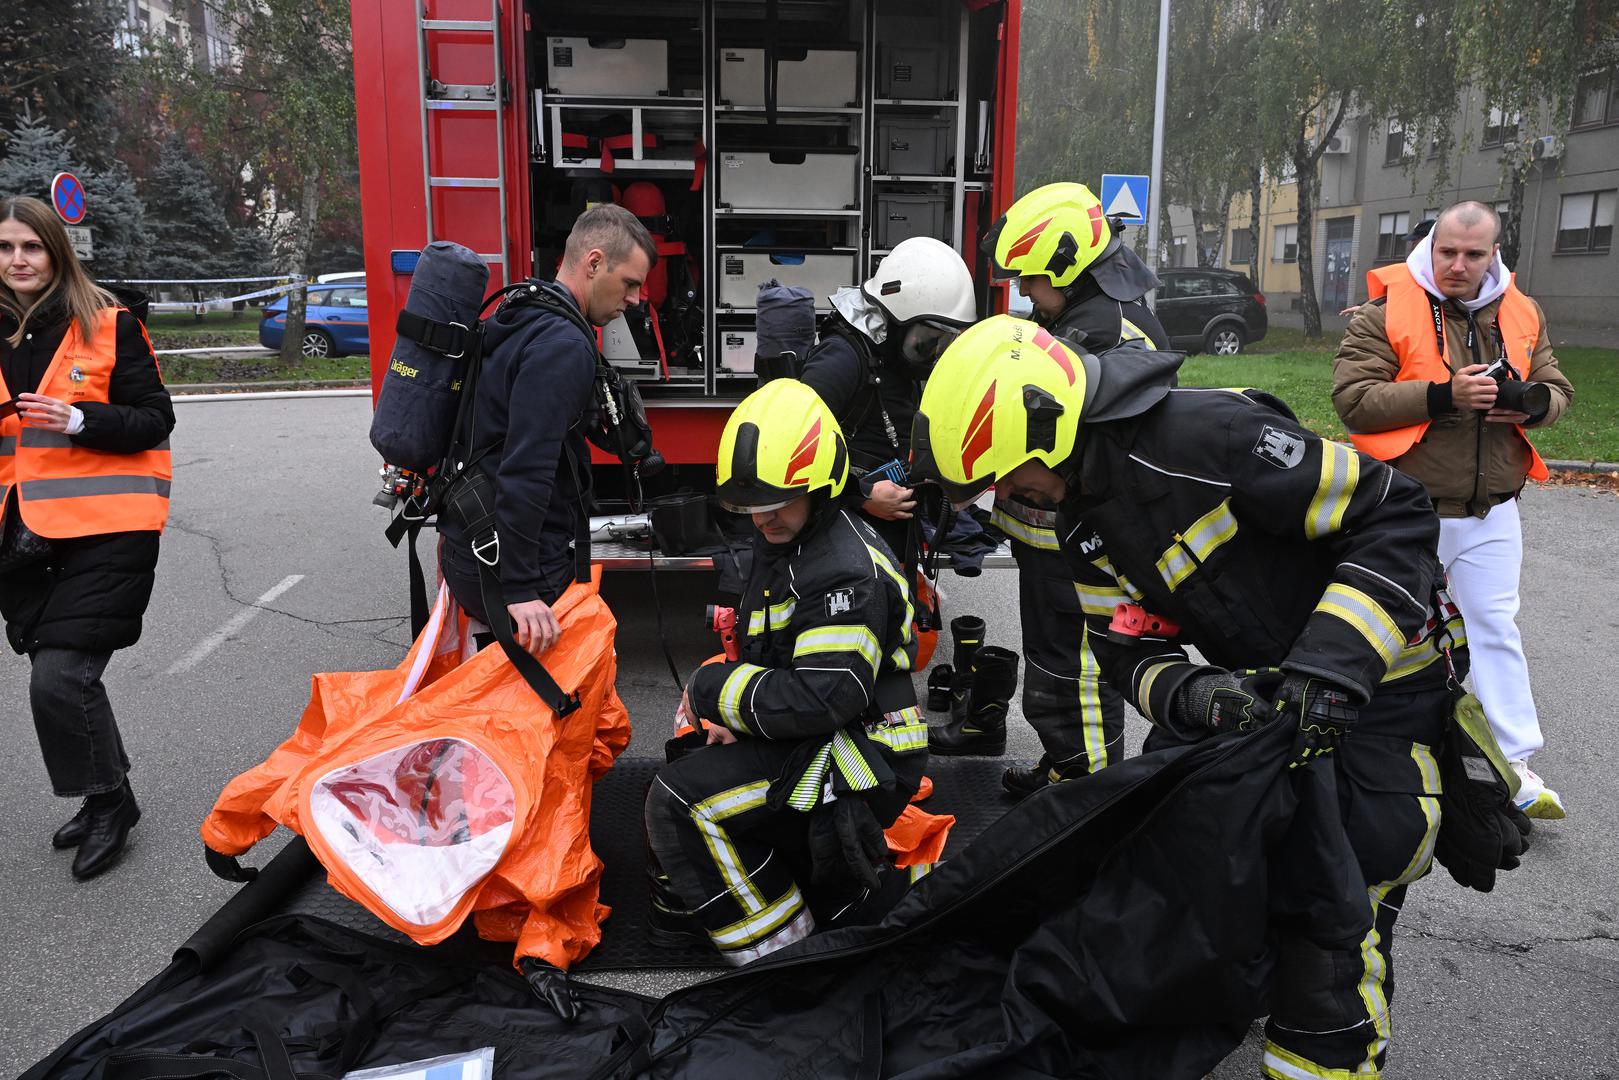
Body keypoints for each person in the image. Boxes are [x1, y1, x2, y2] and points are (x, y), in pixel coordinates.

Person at [909, 314, 1469, 1079]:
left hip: (1381, 679)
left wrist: (1331, 670)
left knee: (1343, 883)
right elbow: (1124, 645)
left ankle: (1326, 1055)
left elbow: (1393, 511)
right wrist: (1203, 697)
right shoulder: (1081, 523)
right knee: (1190, 851)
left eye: (1008, 474)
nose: (1008, 498)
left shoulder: (1212, 440)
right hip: (1265, 693)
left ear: (1050, 425)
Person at [644, 378, 928, 965]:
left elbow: (825, 697)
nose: (764, 518)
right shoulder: (793, 541)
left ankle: (782, 959)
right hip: (832, 739)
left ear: (823, 488)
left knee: (681, 801)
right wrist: (728, 718)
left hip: (863, 757)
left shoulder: (845, 571)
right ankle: (800, 885)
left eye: (778, 503)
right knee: (693, 755)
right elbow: (776, 663)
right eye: (750, 505)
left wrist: (712, 690)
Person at [1333, 200, 1573, 819]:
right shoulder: (1382, 311)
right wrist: (1443, 395)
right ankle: (1345, 742)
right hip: (1407, 508)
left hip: (1492, 510)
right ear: (1432, 246)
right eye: (1448, 252)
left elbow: (1557, 388)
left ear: (1495, 253)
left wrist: (1533, 403)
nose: (1458, 265)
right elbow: (1355, 401)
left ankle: (1515, 766)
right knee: (1391, 629)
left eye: (1473, 254)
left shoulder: (1521, 311)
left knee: (1494, 628)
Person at [946, 182, 1169, 795]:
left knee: (1081, 670)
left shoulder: (1105, 334)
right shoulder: (1084, 317)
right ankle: (1067, 764)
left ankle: (1088, 796)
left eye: (1031, 278)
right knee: (1054, 662)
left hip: (1078, 538)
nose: (1022, 291)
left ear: (1068, 268)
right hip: (1051, 537)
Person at [0, 194, 174, 880]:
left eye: (31, 246)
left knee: (60, 678)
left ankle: (107, 808)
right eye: (6, 248)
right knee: (57, 678)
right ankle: (112, 794)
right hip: (23, 537)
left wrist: (78, 420)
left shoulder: (108, 324)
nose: (17, 260)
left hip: (109, 528)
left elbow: (154, 418)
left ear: (56, 251)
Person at [436, 203, 654, 648]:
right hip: (515, 564)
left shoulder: (522, 310)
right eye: (629, 283)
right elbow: (528, 467)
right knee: (551, 707)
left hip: (473, 541)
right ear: (594, 263)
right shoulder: (563, 344)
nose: (634, 299)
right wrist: (520, 587)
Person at [797, 235, 976, 564]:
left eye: (943, 343)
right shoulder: (843, 359)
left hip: (886, 540)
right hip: (844, 541)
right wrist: (860, 495)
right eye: (927, 341)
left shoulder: (894, 361)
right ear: (894, 320)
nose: (933, 355)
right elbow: (792, 452)